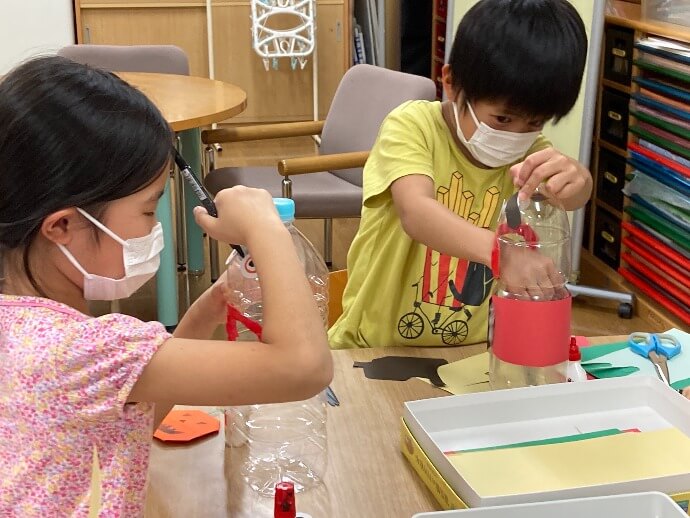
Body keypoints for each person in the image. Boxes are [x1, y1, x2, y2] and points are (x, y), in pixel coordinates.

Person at [0, 56, 332, 516]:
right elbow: (305, 368)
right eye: (146, 210)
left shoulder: (31, 333)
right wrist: (265, 228)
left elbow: (126, 418)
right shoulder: (83, 350)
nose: (154, 226)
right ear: (62, 226)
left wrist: (208, 309)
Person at [328, 0, 593, 349]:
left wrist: (580, 182)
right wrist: (503, 255)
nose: (515, 135)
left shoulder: (531, 151)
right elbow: (416, 212)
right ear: (451, 83)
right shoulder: (412, 126)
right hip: (376, 344)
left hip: (471, 352)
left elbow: (568, 195)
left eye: (534, 123)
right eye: (502, 119)